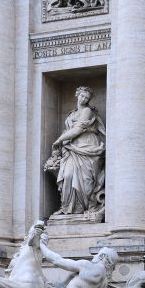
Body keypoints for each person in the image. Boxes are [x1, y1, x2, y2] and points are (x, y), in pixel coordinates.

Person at [45, 86, 105, 216]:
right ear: (77, 95)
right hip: (72, 147)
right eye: (82, 96)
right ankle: (67, 207)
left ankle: (82, 208)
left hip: (87, 145)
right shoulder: (71, 114)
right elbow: (70, 131)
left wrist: (59, 140)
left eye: (87, 98)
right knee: (67, 175)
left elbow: (77, 130)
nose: (84, 99)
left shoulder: (87, 111)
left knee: (85, 178)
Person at [39, 233, 118, 288]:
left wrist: (42, 245)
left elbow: (57, 260)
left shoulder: (88, 266)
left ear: (102, 256)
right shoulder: (104, 283)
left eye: (97, 254)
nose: (94, 255)